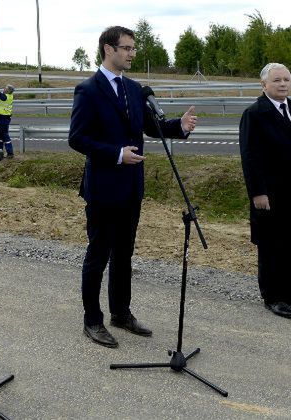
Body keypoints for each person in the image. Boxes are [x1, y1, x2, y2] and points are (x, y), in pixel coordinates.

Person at [69, 26, 197, 348]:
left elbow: (149, 127)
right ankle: (92, 319)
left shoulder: (134, 89)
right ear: (107, 50)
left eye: (132, 48)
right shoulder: (88, 90)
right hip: (103, 188)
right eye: (126, 48)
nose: (131, 53)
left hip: (131, 188)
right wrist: (115, 154)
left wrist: (177, 127)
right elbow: (77, 138)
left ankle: (121, 313)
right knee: (99, 254)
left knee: (124, 253)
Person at [239, 63, 291, 320]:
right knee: (272, 244)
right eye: (277, 80)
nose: (283, 84)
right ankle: (272, 295)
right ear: (264, 84)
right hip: (271, 193)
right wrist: (258, 192)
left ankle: (288, 289)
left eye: (287, 79)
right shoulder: (255, 113)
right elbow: (250, 156)